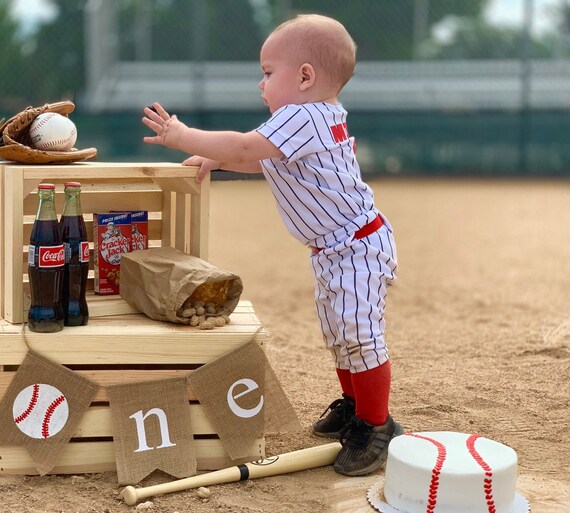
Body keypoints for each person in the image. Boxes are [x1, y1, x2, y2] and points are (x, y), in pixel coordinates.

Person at [142, 13, 403, 476]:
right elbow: (259, 161)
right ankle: (354, 405)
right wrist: (214, 157)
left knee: (359, 336)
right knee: (341, 335)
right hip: (337, 248)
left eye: (267, 72)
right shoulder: (309, 118)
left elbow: (246, 148)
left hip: (356, 247)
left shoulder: (303, 115)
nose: (260, 83)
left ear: (305, 77)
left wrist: (184, 136)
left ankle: (377, 425)